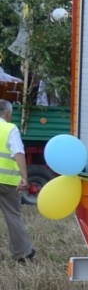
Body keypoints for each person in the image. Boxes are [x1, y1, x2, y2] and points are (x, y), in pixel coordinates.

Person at [0, 100, 35, 262]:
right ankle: (22, 254)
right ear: (7, 114)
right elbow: (18, 153)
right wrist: (24, 177)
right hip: (6, 182)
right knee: (13, 217)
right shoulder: (9, 128)